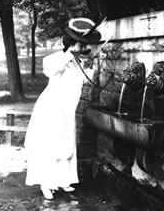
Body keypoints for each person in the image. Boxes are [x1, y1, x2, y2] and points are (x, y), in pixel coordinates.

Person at [24, 17, 105, 200]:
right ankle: (46, 184)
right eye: (79, 44)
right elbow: (50, 70)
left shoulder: (77, 63)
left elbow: (86, 80)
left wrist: (90, 64)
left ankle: (63, 181)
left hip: (66, 112)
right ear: (71, 43)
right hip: (50, 110)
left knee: (66, 145)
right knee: (49, 147)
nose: (82, 48)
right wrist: (71, 53)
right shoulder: (55, 59)